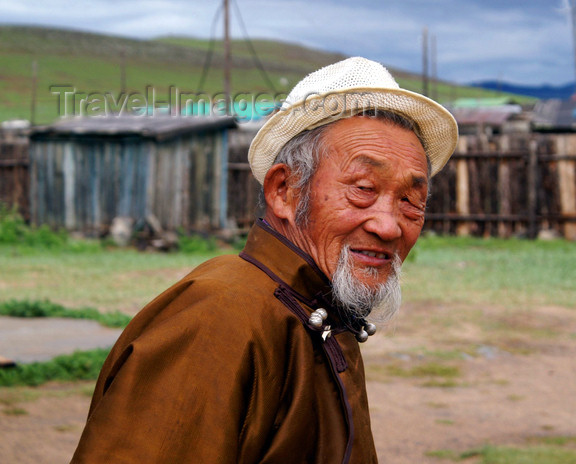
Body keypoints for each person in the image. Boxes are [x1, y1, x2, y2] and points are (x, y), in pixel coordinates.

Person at [71, 57, 458, 464]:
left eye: (411, 201)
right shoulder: (218, 318)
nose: (389, 226)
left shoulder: (320, 315)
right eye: (363, 187)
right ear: (285, 190)